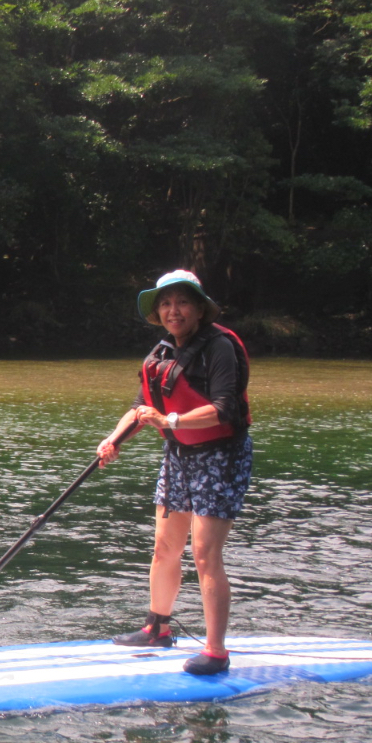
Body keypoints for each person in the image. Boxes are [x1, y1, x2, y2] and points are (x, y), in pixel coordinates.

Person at [96, 270, 253, 676]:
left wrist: (170, 420)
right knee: (165, 547)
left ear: (199, 308)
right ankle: (158, 628)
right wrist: (113, 440)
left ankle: (216, 651)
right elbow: (139, 407)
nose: (172, 310)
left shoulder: (218, 348)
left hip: (221, 455)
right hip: (180, 455)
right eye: (165, 304)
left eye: (182, 302)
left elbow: (224, 409)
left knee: (204, 555)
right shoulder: (160, 354)